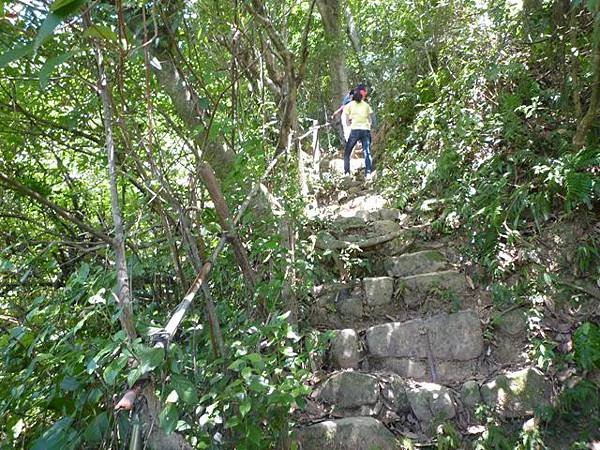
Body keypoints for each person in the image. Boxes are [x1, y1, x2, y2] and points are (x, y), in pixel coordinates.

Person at [344, 85, 373, 177]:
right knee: (367, 151)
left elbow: (347, 121)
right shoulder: (366, 105)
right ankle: (368, 172)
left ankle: (347, 172)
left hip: (355, 130)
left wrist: (350, 124)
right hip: (365, 130)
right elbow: (370, 119)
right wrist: (368, 126)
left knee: (347, 152)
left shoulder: (349, 105)